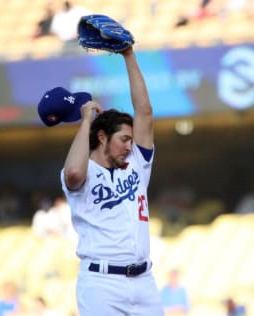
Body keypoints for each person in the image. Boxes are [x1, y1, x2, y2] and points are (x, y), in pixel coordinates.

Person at [60, 45, 163, 315]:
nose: (130, 146)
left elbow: (145, 113)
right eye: (124, 139)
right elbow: (73, 174)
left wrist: (129, 54)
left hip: (144, 281)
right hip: (101, 284)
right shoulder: (81, 170)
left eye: (131, 139)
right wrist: (86, 122)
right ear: (103, 137)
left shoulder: (136, 164)